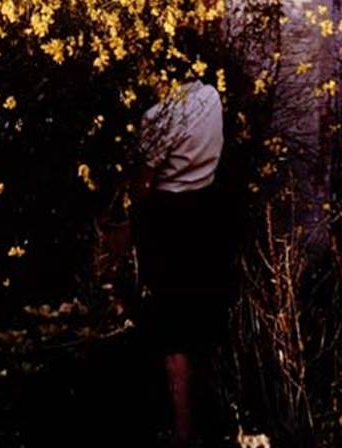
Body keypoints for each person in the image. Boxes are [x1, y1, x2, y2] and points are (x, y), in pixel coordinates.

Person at [131, 73, 226, 448]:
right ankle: (206, 417)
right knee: (199, 314)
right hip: (205, 211)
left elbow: (143, 185)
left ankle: (182, 432)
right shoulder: (211, 96)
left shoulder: (159, 116)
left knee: (172, 328)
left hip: (170, 219)